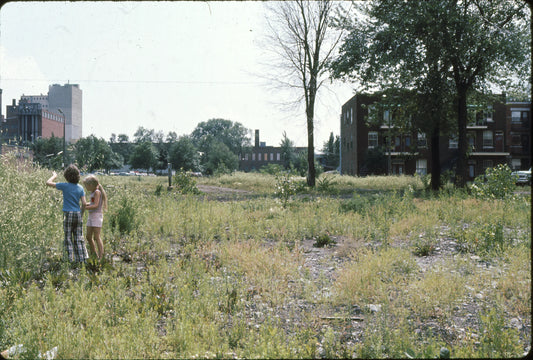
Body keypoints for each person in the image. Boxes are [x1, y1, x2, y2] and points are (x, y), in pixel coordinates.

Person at [46, 164, 89, 263]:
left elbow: (48, 183)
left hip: (68, 214)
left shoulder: (64, 186)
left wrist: (54, 176)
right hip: (78, 213)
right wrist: (81, 214)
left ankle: (69, 259)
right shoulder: (80, 188)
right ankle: (81, 260)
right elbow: (84, 203)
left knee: (68, 237)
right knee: (78, 237)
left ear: (66, 176)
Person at [82, 175, 108, 259]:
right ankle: (94, 254)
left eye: (86, 185)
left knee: (96, 237)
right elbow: (92, 203)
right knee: (88, 236)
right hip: (91, 216)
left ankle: (101, 256)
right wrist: (85, 204)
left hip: (97, 216)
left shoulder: (97, 192)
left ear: (91, 185)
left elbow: (96, 205)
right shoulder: (93, 192)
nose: (85, 187)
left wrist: (85, 208)